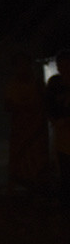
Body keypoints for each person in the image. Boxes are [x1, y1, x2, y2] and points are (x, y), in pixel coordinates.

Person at [3, 51, 49, 193]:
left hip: (36, 131)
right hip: (20, 130)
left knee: (36, 162)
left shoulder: (37, 84)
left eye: (25, 64)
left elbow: (44, 105)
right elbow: (8, 105)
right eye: (19, 65)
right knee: (19, 162)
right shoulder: (12, 85)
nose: (22, 67)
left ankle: (38, 192)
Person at [45, 49, 70, 217]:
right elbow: (48, 105)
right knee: (64, 165)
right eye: (61, 64)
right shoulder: (55, 83)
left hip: (64, 126)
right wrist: (55, 120)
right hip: (61, 131)